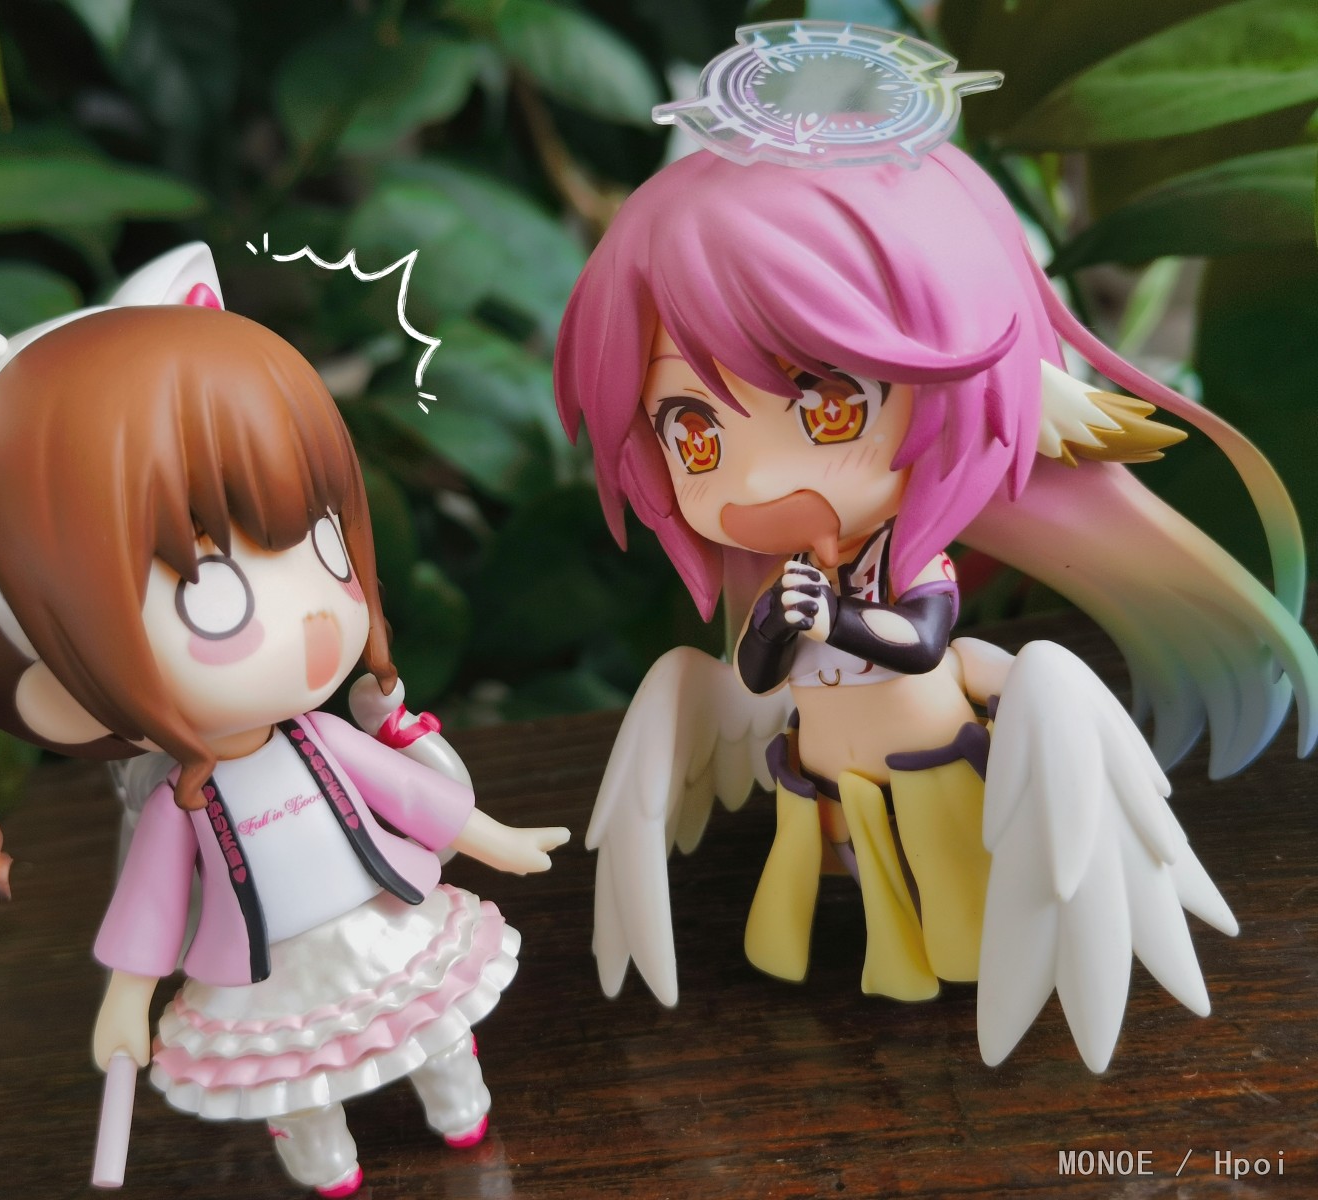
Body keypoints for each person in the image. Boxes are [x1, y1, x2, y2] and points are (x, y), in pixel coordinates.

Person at [554, 21, 1315, 1073]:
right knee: (863, 894)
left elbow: (919, 643)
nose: (751, 482)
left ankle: (983, 956)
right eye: (690, 430)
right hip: (830, 791)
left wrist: (837, 618)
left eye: (826, 409)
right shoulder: (792, 578)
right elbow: (761, 675)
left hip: (936, 773)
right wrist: (778, 630)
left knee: (949, 889)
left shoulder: (904, 570)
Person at [0, 244, 567, 1194]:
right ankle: (328, 1160)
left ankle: (457, 1109)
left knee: (438, 1031)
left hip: (382, 926)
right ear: (53, 687)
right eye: (212, 594)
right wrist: (126, 1002)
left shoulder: (322, 740)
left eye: (321, 542)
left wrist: (497, 839)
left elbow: (414, 799)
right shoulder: (182, 801)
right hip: (262, 975)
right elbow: (152, 907)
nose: (311, 618)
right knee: (294, 1087)